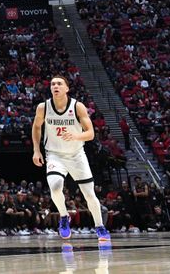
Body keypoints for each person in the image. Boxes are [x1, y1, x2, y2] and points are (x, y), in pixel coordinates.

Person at [32, 75, 110, 242]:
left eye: (59, 83)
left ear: (67, 88)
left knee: (89, 194)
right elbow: (37, 127)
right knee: (55, 186)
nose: (55, 86)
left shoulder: (77, 107)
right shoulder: (43, 107)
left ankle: (99, 226)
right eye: (52, 84)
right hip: (54, 154)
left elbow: (90, 134)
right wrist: (36, 150)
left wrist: (76, 135)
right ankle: (63, 216)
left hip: (76, 154)